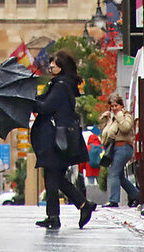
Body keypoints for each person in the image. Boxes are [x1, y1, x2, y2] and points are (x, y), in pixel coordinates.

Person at [30, 50, 96, 229]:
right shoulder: (60, 84)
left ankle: (66, 211)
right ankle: (67, 211)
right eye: (51, 62)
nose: (51, 65)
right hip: (59, 138)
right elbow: (45, 102)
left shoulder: (60, 86)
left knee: (53, 176)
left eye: (55, 63)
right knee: (54, 177)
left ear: (62, 67)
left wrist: (29, 101)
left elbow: (46, 107)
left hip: (56, 139)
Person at [99, 92, 141, 208]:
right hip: (114, 149)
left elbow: (125, 128)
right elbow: (105, 134)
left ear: (121, 105)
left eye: (116, 105)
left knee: (113, 172)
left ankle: (113, 200)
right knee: (120, 176)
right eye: (112, 106)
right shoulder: (112, 119)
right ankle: (136, 194)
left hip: (123, 147)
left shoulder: (125, 116)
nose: (114, 108)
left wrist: (119, 116)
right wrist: (104, 120)